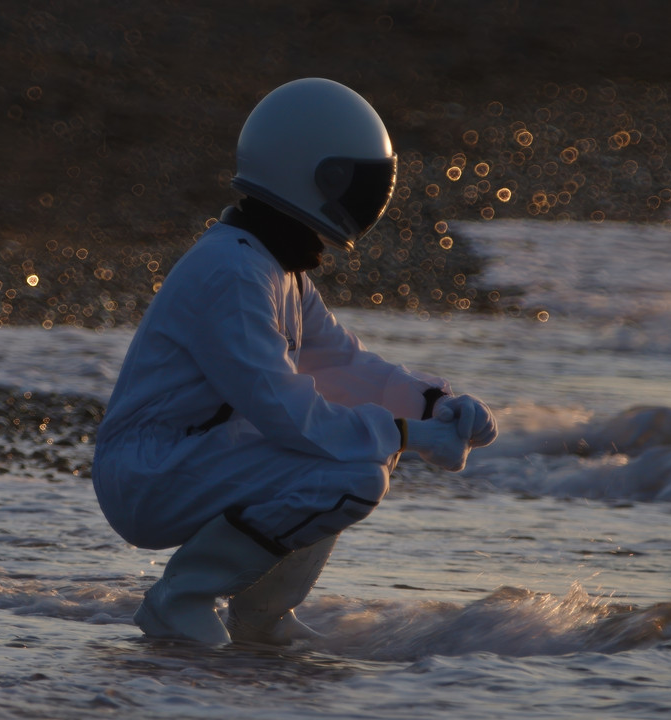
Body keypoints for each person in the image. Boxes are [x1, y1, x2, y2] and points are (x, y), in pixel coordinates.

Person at [91, 78, 498, 646]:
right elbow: (285, 410)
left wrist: (437, 405)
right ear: (319, 177)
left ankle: (261, 618)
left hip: (187, 456)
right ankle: (179, 601)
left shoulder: (273, 267)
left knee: (351, 453)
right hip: (149, 474)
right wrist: (406, 435)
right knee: (353, 471)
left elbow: (343, 365)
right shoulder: (233, 273)